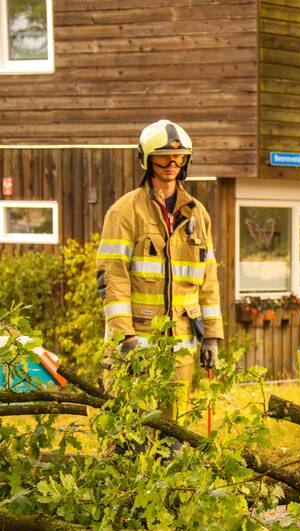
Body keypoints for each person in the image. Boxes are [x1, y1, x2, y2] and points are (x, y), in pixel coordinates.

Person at [96, 120, 223, 421]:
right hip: (135, 342)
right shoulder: (125, 211)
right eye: (163, 156)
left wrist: (212, 337)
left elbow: (208, 281)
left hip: (180, 346)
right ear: (147, 159)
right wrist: (125, 337)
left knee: (172, 433)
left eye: (178, 157)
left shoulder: (197, 214)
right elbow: (112, 277)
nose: (171, 163)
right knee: (127, 429)